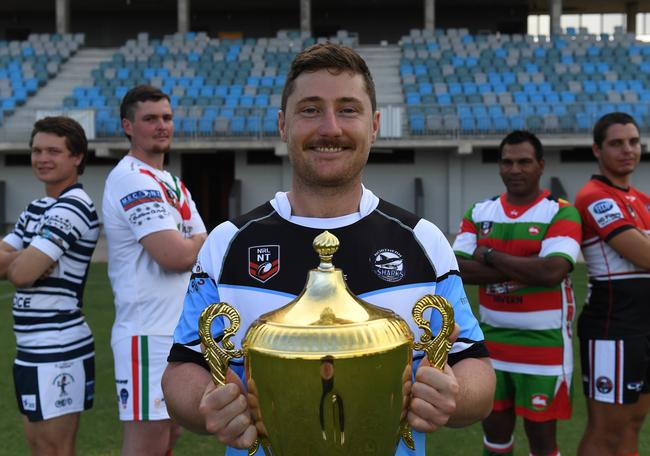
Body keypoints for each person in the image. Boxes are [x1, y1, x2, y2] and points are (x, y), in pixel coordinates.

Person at [161, 43, 495, 456]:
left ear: (374, 125)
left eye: (348, 110)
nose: (330, 128)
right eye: (310, 109)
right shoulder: (228, 242)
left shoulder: (422, 241)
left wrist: (453, 394)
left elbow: (476, 366)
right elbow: (181, 369)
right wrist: (205, 402)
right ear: (283, 125)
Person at [452, 131, 582, 456]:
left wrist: (489, 255)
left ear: (540, 165)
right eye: (507, 162)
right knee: (496, 439)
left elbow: (553, 273)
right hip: (491, 345)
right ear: (499, 167)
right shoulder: (480, 212)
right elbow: (458, 269)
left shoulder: (560, 212)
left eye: (524, 161)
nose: (515, 169)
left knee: (542, 443)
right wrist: (528, 266)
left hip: (544, 348)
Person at [103, 85, 207, 456]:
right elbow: (177, 256)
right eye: (150, 119)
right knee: (147, 443)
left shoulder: (171, 182)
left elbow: (200, 245)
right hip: (145, 334)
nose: (162, 126)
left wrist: (192, 245)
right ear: (128, 126)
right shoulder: (131, 178)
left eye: (166, 117)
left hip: (172, 331)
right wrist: (193, 244)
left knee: (169, 438)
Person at [0, 116, 99, 456]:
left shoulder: (75, 206)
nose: (42, 158)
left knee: (55, 450)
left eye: (54, 151)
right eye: (37, 150)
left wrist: (23, 261)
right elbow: (19, 265)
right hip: (30, 347)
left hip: (58, 346)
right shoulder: (37, 208)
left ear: (77, 158)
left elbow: (22, 274)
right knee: (38, 447)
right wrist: (28, 259)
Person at [574, 112, 650, 456]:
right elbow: (644, 256)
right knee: (606, 432)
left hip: (643, 326)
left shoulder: (642, 200)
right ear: (597, 150)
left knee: (634, 422)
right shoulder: (594, 196)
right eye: (616, 143)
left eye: (633, 141)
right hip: (613, 328)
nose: (628, 149)